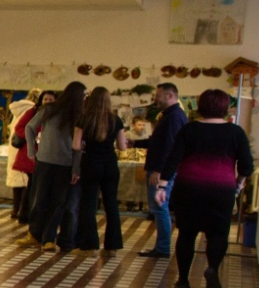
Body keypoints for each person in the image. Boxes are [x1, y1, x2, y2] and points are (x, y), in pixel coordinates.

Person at [159, 88, 254, 288]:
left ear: (201, 106)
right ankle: (212, 268)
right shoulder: (236, 132)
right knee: (218, 233)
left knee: (187, 234)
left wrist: (162, 186)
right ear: (225, 107)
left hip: (189, 188)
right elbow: (247, 165)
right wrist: (238, 184)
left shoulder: (189, 130)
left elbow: (173, 159)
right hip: (221, 190)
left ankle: (183, 280)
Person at [24, 81, 86, 253]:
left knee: (57, 203)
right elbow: (29, 127)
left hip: (64, 164)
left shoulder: (78, 116)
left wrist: (75, 169)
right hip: (45, 161)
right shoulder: (49, 109)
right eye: (83, 96)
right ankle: (35, 234)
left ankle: (49, 238)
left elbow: (78, 146)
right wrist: (31, 150)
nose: (84, 99)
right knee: (40, 199)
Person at [72, 87, 131, 253]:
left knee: (88, 204)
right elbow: (122, 147)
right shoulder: (115, 120)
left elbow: (76, 145)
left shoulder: (84, 119)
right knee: (111, 204)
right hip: (110, 164)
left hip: (90, 163)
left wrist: (86, 145)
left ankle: (89, 244)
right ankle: (113, 245)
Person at [134, 82, 187, 259]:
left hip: (162, 171)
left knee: (159, 208)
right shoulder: (169, 116)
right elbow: (157, 142)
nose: (155, 99)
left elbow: (169, 147)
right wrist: (135, 143)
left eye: (158, 95)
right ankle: (161, 246)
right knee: (158, 208)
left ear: (170, 96)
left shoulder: (173, 117)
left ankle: (163, 247)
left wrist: (158, 170)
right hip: (161, 169)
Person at [6, 91, 43, 223]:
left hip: (20, 149)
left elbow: (17, 128)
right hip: (29, 150)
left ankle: (18, 210)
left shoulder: (19, 110)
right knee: (30, 185)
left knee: (24, 184)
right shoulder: (31, 111)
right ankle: (24, 213)